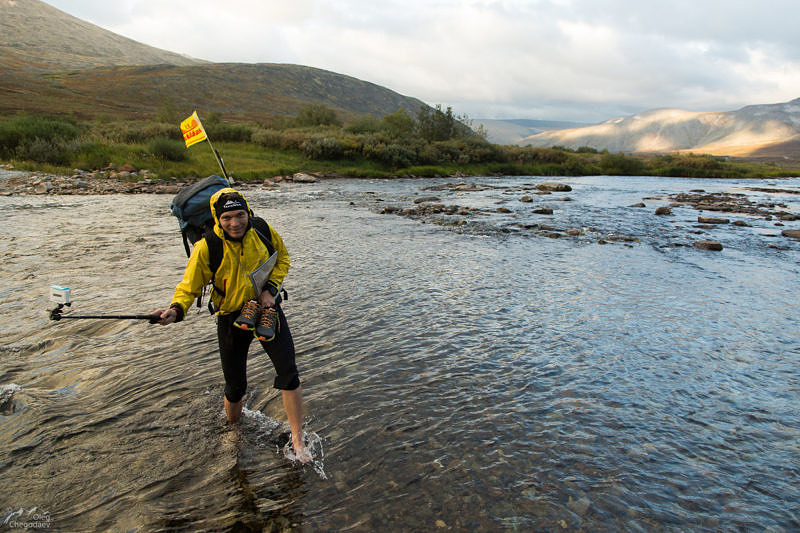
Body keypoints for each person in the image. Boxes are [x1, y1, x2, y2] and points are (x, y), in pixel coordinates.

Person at [152, 187, 310, 462]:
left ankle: (298, 441)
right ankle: (232, 430)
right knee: (235, 385)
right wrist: (175, 310)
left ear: (248, 213)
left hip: (268, 309)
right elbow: (188, 288)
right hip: (231, 318)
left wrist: (270, 290)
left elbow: (282, 258)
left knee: (289, 372)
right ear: (217, 219)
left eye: (240, 215)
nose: (235, 223)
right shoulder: (207, 247)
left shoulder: (262, 230)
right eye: (227, 218)